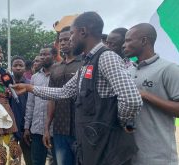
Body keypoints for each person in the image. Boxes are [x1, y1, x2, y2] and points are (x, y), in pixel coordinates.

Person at [12, 11, 143, 165]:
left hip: (107, 145)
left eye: (72, 34)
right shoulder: (88, 62)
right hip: (93, 142)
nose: (70, 40)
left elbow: (132, 100)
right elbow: (65, 91)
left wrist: (119, 123)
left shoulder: (106, 57)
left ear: (83, 32)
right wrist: (29, 88)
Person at [123, 23, 179, 165]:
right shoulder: (128, 71)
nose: (124, 45)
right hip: (131, 154)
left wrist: (145, 95)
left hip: (158, 157)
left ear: (144, 41)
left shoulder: (169, 69)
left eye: (128, 40)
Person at [43, 26, 82, 165]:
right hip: (60, 128)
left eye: (67, 39)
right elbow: (51, 99)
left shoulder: (86, 63)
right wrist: (47, 128)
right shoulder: (55, 68)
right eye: (61, 40)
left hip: (82, 129)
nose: (64, 43)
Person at [24, 46, 56, 165]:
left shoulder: (58, 74)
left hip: (55, 129)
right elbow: (30, 104)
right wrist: (27, 127)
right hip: (37, 129)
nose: (42, 57)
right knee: (37, 161)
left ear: (53, 56)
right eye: (41, 54)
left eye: (46, 54)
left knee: (57, 161)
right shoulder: (34, 77)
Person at [10, 56, 32, 165]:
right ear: (11, 67)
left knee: (29, 158)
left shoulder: (30, 84)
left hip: (26, 129)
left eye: (21, 65)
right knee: (12, 159)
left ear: (25, 68)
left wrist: (28, 127)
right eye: (15, 65)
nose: (18, 68)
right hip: (10, 128)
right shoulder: (6, 84)